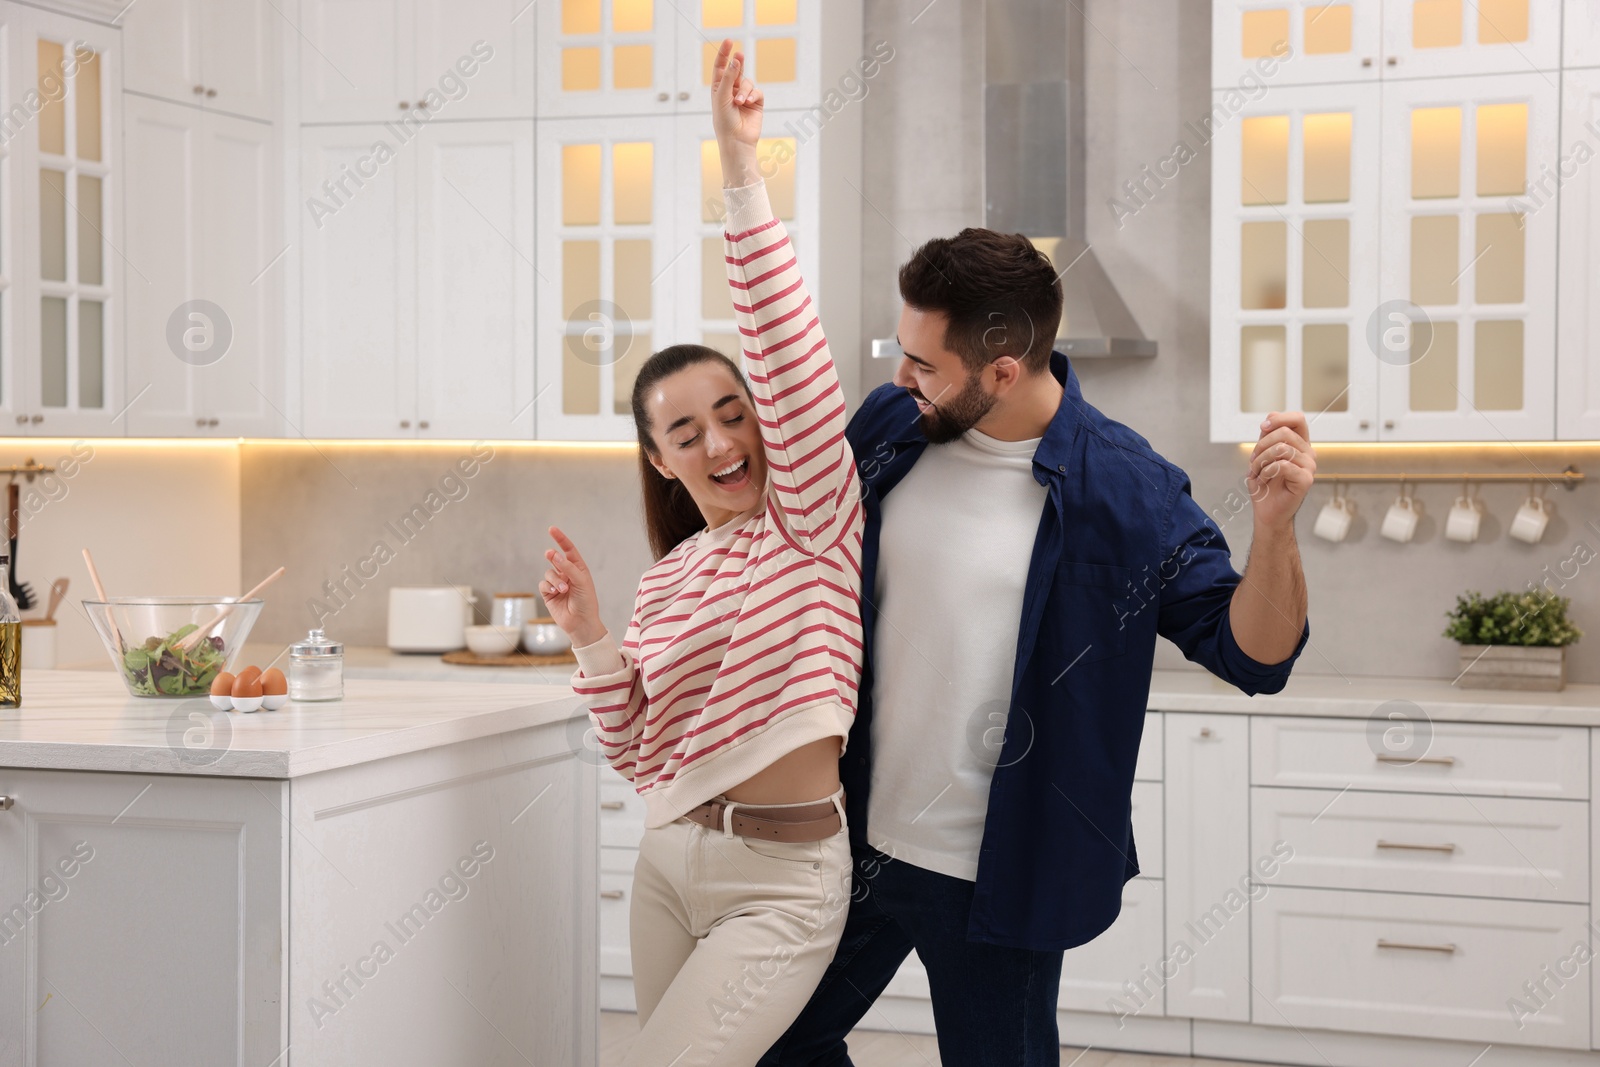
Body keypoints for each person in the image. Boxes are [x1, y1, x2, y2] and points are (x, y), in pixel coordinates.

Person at [758, 229, 1314, 1065]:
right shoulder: (890, 427)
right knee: (769, 1041)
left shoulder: (1131, 488)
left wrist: (1275, 531)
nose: (901, 377)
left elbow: (1255, 657)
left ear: (1003, 371)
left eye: (924, 363)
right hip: (852, 842)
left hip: (994, 875)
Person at [540, 41, 864, 1067]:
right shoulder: (670, 576)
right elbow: (638, 750)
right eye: (688, 432)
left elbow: (790, 350)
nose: (721, 442)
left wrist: (738, 169)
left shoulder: (812, 522)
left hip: (784, 876)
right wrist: (592, 636)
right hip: (669, 865)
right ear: (658, 456)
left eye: (734, 413)